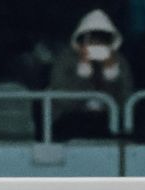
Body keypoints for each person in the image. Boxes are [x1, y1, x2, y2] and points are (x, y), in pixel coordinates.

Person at [46, 7, 132, 140]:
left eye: (101, 39)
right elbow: (62, 100)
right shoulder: (64, 60)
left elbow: (125, 103)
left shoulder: (119, 61)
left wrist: (111, 74)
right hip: (71, 119)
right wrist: (83, 72)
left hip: (108, 120)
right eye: (91, 39)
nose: (96, 43)